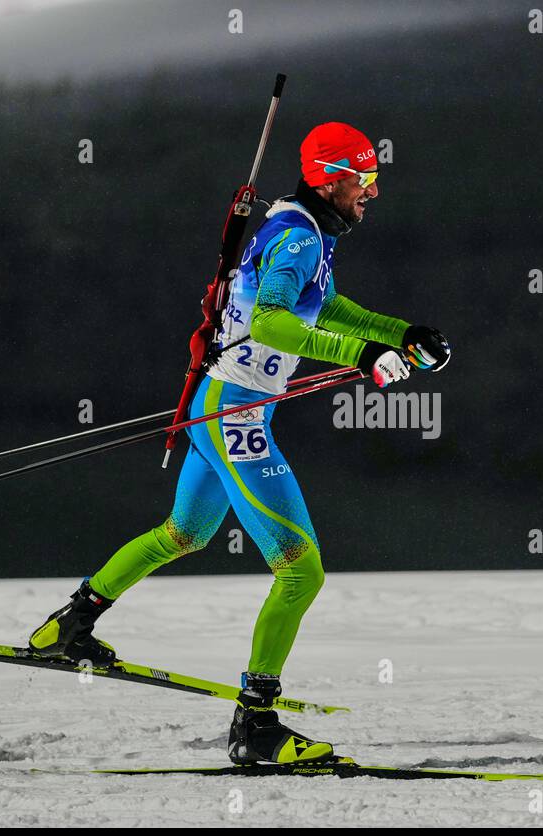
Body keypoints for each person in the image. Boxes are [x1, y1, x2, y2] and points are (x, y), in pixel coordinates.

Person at [26, 122, 450, 765]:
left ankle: (68, 627)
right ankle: (255, 727)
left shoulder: (305, 230)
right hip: (236, 418)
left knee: (183, 533)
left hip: (217, 408)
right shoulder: (296, 238)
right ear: (330, 180)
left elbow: (325, 309)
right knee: (301, 571)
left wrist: (400, 334)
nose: (372, 192)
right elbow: (271, 320)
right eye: (364, 179)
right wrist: (364, 356)